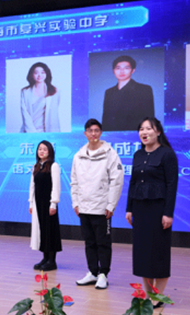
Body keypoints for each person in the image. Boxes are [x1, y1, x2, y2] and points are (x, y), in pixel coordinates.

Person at [126, 117, 178, 302]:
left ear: (158, 132)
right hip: (140, 209)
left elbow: (172, 185)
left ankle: (158, 297)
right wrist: (129, 208)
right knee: (143, 253)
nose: (144, 132)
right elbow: (133, 183)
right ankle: (149, 295)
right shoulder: (138, 155)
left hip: (158, 211)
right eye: (141, 129)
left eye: (148, 128)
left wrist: (168, 213)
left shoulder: (167, 154)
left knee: (158, 253)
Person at [71, 119, 124, 290]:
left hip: (102, 207)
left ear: (100, 132)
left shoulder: (110, 154)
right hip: (84, 206)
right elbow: (74, 181)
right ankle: (92, 272)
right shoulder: (78, 155)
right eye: (90, 130)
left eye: (96, 130)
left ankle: (103, 274)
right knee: (89, 242)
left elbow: (116, 181)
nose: (93, 134)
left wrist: (111, 205)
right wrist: (75, 202)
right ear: (85, 133)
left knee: (103, 242)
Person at [29, 140, 62, 272]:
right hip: (38, 203)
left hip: (49, 204)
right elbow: (32, 186)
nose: (41, 151)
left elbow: (56, 186)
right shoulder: (36, 166)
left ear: (50, 151)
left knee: (50, 231)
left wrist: (53, 203)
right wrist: (31, 203)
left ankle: (52, 261)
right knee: (41, 230)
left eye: (44, 149)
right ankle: (45, 258)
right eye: (39, 149)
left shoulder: (53, 166)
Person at [101, 56, 154, 132]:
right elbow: (105, 118)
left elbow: (149, 118)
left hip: (134, 134)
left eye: (126, 68)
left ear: (133, 70)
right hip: (112, 135)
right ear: (113, 71)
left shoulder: (144, 89)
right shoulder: (109, 92)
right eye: (118, 68)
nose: (122, 71)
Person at [20, 62, 61, 133]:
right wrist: (32, 132)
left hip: (48, 131)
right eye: (36, 73)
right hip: (30, 131)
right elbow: (25, 113)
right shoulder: (25, 91)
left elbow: (55, 114)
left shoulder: (55, 91)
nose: (39, 75)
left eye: (42, 72)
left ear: (46, 74)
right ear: (32, 74)